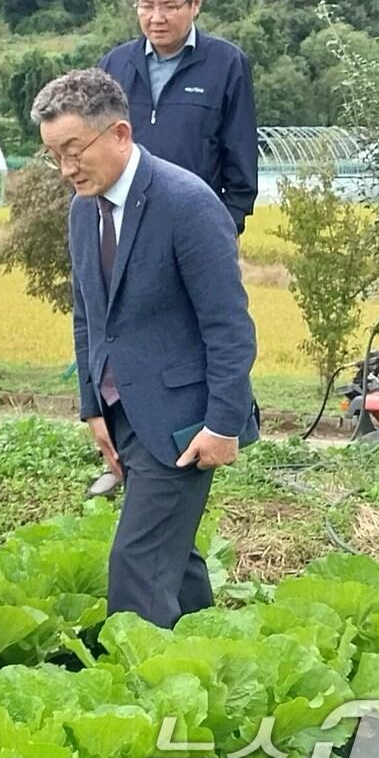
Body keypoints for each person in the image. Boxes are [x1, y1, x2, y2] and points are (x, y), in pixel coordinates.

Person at [32, 68, 258, 629]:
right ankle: (202, 656)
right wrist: (93, 406)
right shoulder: (84, 209)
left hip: (185, 422)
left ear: (120, 134)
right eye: (53, 155)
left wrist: (224, 424)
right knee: (173, 558)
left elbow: (229, 325)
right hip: (124, 414)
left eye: (74, 150)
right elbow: (89, 315)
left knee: (136, 563)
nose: (65, 168)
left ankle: (140, 697)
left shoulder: (186, 203)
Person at [98, 0, 259, 235]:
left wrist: (223, 227)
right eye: (146, 6)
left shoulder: (227, 64)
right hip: (125, 230)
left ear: (195, 3)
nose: (156, 18)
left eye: (169, 6)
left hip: (198, 228)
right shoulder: (114, 65)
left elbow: (241, 163)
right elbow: (95, 149)